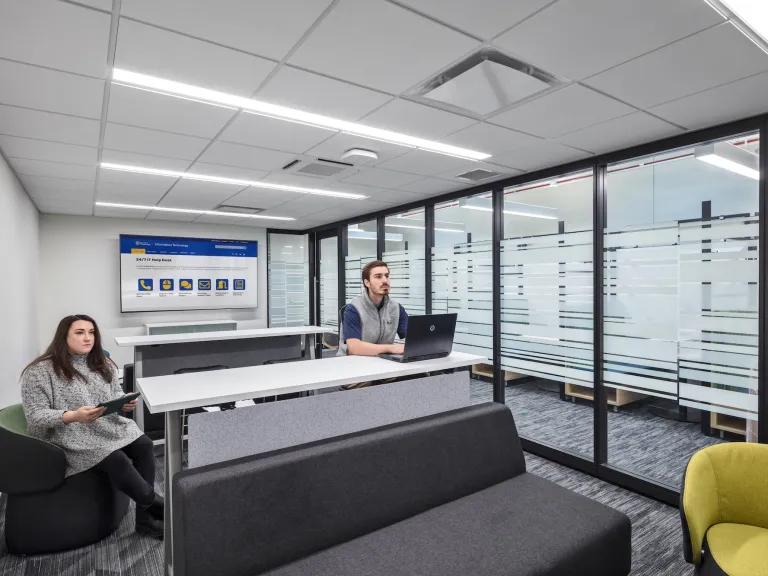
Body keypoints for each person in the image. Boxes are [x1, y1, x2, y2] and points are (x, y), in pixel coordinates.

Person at [20, 314, 164, 539]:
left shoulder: (102, 362)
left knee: (144, 444)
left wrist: (123, 402)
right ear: (63, 337)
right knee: (115, 458)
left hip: (104, 427)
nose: (88, 338)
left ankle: (145, 520)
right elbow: (35, 417)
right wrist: (72, 416)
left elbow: (113, 394)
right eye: (79, 333)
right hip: (66, 436)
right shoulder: (39, 371)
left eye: (91, 332)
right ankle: (155, 504)